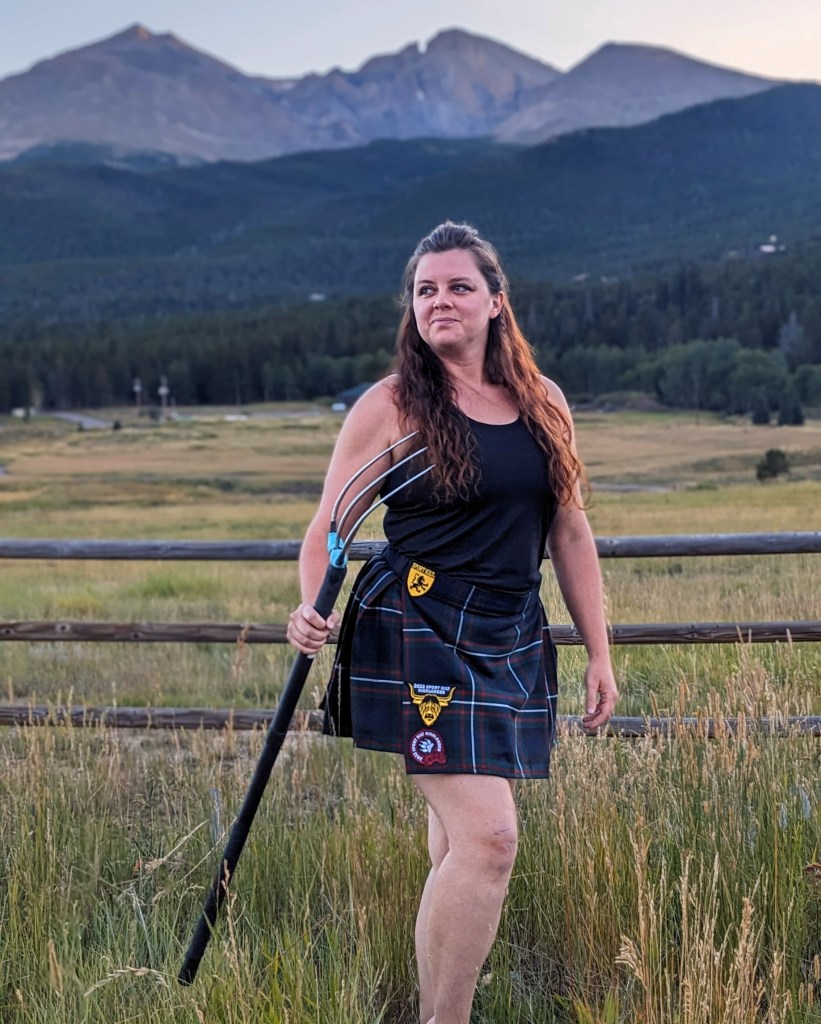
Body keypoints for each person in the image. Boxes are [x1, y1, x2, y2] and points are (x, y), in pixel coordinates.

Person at [287, 221, 618, 1024]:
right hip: (417, 624)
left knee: (454, 845)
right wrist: (310, 603)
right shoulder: (392, 404)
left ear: (495, 302)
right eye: (425, 289)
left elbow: (569, 532)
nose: (440, 300)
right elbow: (330, 525)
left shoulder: (542, 402)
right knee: (488, 839)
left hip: (509, 629)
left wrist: (598, 653)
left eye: (458, 287)